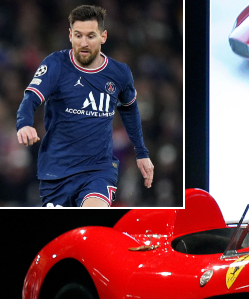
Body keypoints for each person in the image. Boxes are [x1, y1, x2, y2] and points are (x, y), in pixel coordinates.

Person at [15, 4, 154, 207]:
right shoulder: (55, 64)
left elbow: (129, 109)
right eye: (78, 35)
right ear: (70, 35)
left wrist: (142, 153)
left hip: (98, 170)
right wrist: (24, 123)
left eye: (91, 36)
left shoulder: (119, 73)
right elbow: (30, 98)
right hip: (57, 171)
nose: (84, 43)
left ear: (103, 37)